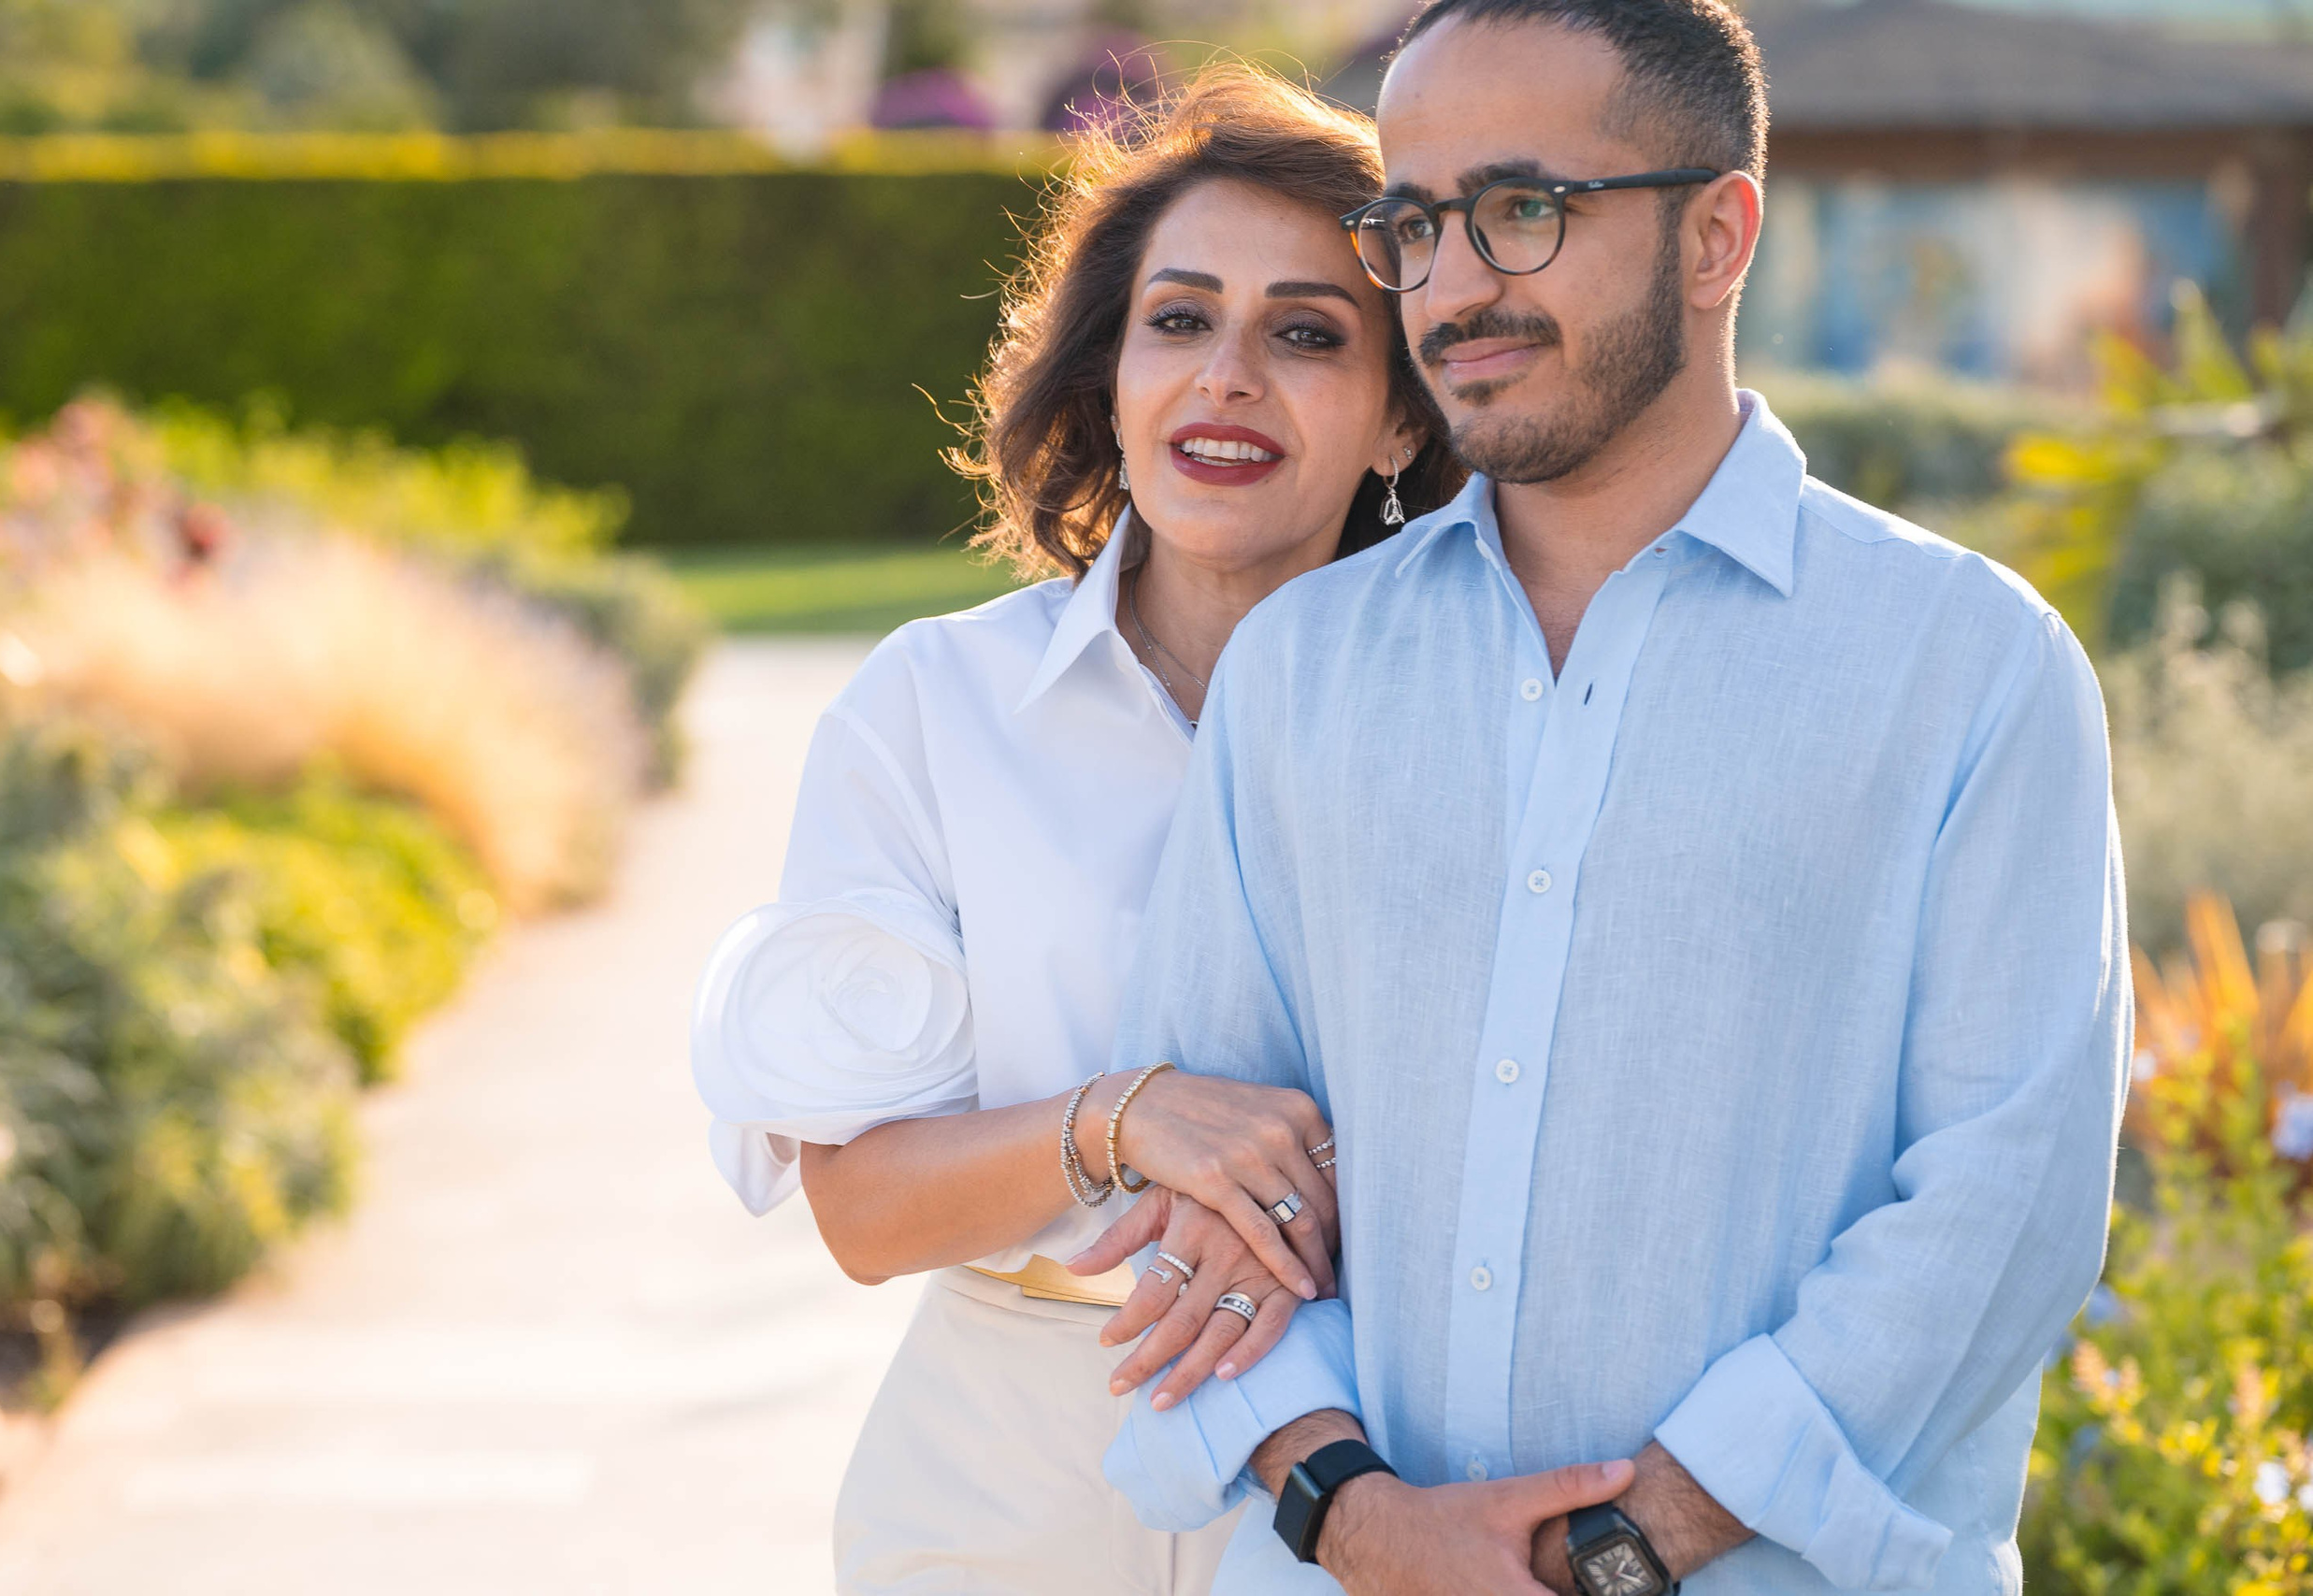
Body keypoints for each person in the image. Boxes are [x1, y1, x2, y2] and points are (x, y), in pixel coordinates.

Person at [1082, 5, 2132, 1594]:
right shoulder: (1302, 670)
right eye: (1414, 225)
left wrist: (1629, 1551)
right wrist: (1360, 1518)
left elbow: (2008, 1202)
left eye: (1523, 210)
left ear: (1718, 233)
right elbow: (1218, 1177)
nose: (1451, 286)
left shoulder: (1969, 669)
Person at [689, 68, 1460, 1596]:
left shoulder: (1490, 721)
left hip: (1378, 1448)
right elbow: (862, 1209)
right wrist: (1121, 1120)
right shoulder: (934, 704)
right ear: (1111, 374)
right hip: (998, 1465)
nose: (1228, 375)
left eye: (1308, 333)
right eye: (1179, 320)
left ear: (1398, 419)